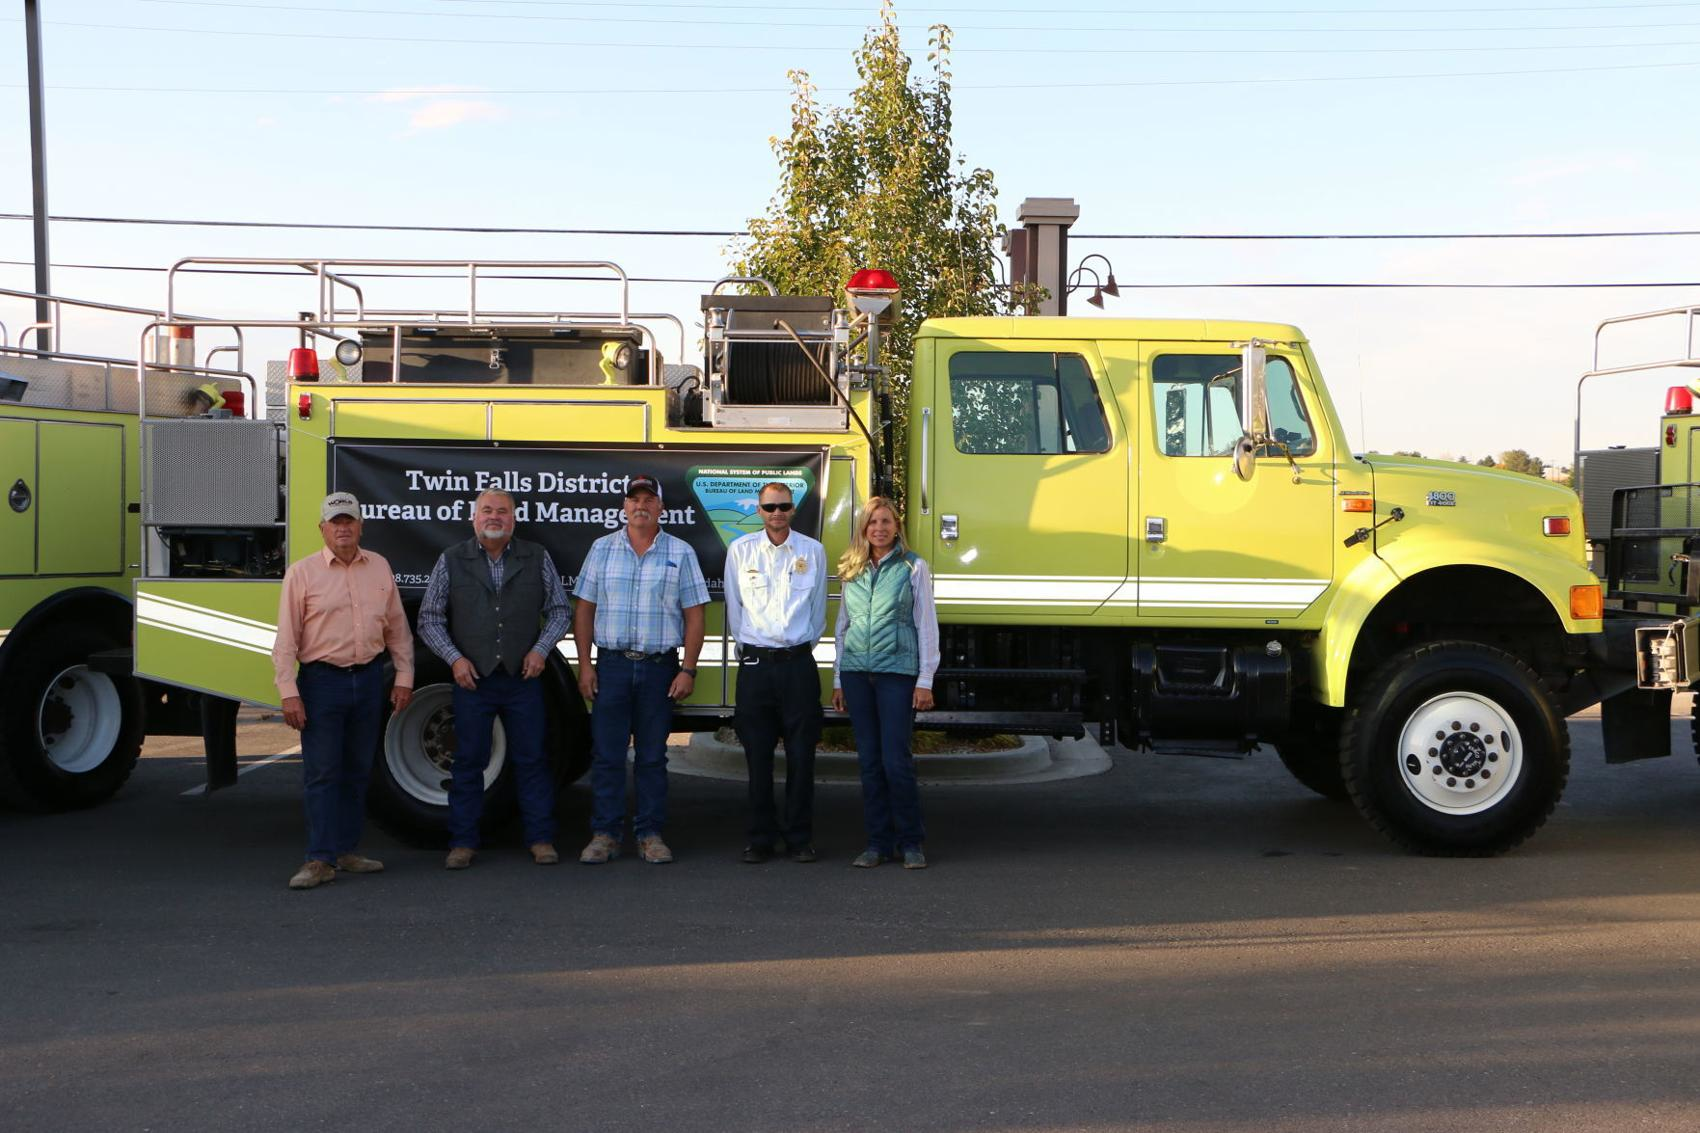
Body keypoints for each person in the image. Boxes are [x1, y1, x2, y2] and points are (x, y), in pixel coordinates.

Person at [418, 488, 571, 870]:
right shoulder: (451, 559)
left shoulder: (536, 557)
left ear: (513, 519)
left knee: (533, 760)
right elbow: (429, 618)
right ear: (474, 518)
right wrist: (454, 659)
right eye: (487, 510)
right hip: (474, 681)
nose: (494, 517)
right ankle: (463, 843)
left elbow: (559, 611)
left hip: (523, 678)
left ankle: (540, 839)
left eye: (502, 511)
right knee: (468, 761)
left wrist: (540, 650)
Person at [273, 491, 415, 891]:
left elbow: (397, 630)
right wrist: (288, 691)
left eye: (349, 521)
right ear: (322, 528)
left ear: (360, 526)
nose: (342, 528)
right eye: (335, 522)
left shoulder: (380, 567)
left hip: (370, 679)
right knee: (322, 773)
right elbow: (287, 638)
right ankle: (318, 859)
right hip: (321, 683)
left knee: (357, 771)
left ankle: (348, 852)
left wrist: (404, 677)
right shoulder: (301, 573)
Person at [573, 474, 709, 865]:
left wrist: (688, 670)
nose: (641, 506)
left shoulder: (680, 552)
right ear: (624, 506)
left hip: (659, 670)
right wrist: (585, 665)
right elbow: (584, 610)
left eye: (649, 499)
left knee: (652, 758)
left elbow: (694, 615)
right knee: (608, 756)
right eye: (634, 500)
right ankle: (605, 835)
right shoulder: (601, 549)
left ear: (661, 508)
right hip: (612, 667)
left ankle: (649, 835)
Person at [830, 497, 940, 870]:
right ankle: (877, 843)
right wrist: (838, 679)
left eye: (886, 521)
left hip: (897, 673)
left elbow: (926, 624)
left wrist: (925, 680)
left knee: (896, 761)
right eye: (873, 522)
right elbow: (843, 627)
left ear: (897, 527)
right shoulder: (852, 568)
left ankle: (911, 842)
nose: (879, 528)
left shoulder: (914, 566)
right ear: (864, 528)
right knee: (869, 763)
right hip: (857, 674)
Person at [724, 482, 828, 864]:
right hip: (755, 668)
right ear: (759, 510)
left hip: (798, 665)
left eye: (783, 506)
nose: (777, 513)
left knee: (802, 757)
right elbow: (736, 610)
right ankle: (760, 839)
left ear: (793, 509)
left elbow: (817, 613)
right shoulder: (740, 551)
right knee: (757, 758)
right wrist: (754, 649)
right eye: (770, 507)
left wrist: (798, 649)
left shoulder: (813, 551)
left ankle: (800, 838)